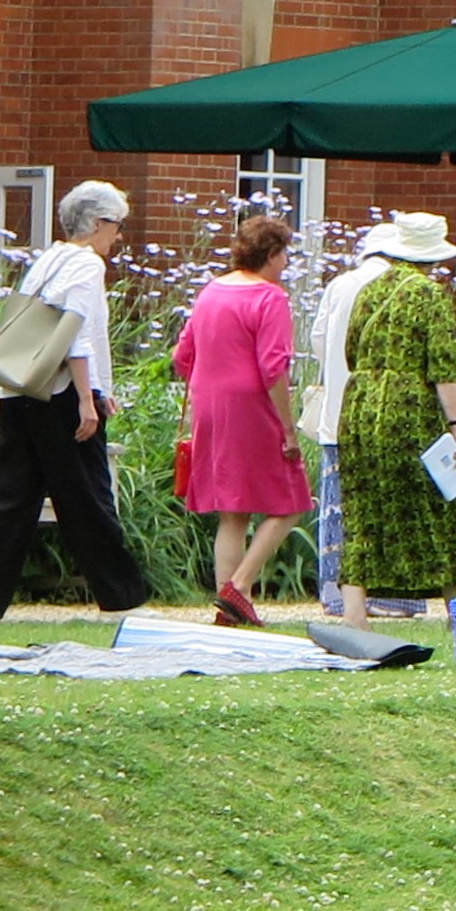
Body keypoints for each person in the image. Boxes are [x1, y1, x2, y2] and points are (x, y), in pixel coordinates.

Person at [0, 181, 151, 625]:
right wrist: (90, 399)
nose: (119, 235)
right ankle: (123, 598)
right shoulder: (87, 265)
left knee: (7, 493)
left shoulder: (48, 258)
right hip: (60, 392)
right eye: (117, 224)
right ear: (95, 223)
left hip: (19, 388)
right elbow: (79, 333)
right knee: (87, 494)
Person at [332, 214, 456, 621]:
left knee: (362, 514)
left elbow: (351, 352)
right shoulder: (431, 296)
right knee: (442, 506)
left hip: (359, 406)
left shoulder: (369, 290)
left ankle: (355, 621)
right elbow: (443, 368)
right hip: (408, 407)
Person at [169, 211, 309, 625]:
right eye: (284, 255)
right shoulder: (270, 298)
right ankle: (240, 587)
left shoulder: (212, 291)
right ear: (270, 253)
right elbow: (272, 368)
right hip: (252, 406)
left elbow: (182, 356)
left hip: (209, 404)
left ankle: (226, 609)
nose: (286, 264)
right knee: (292, 500)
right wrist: (288, 428)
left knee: (233, 510)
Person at [304, 219, 402, 598]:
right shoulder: (404, 289)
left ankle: (336, 591)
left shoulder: (340, 284)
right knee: (386, 504)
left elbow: (317, 341)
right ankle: (391, 595)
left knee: (337, 507)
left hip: (338, 413)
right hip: (387, 415)